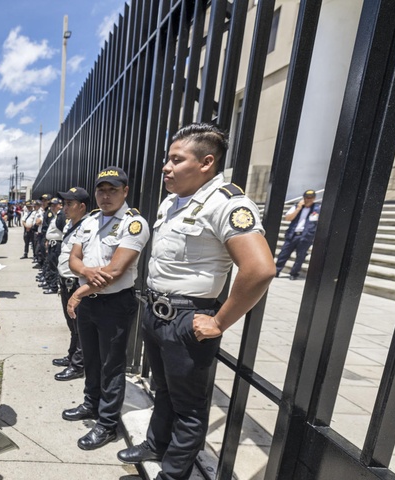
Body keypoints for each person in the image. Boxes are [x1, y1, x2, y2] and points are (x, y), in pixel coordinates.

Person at [117, 123, 275, 479]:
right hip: (156, 314)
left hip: (188, 320)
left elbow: (260, 268)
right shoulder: (172, 202)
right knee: (163, 391)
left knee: (189, 407)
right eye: (166, 159)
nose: (166, 167)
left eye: (176, 160)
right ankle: (157, 444)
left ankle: (172, 473)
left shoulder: (227, 203)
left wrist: (219, 322)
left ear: (206, 162)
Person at [62, 166, 150, 451]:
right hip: (90, 302)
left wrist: (79, 291)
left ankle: (107, 424)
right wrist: (86, 271)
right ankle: (91, 404)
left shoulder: (133, 223)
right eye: (102, 189)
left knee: (111, 365)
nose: (106, 195)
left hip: (114, 303)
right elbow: (74, 259)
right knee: (90, 358)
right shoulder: (89, 221)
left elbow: (115, 270)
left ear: (125, 191)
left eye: (113, 190)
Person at [52, 187, 90, 381]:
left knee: (80, 325)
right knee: (72, 324)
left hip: (76, 283)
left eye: (69, 204)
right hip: (65, 281)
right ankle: (72, 355)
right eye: (64, 203)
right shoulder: (69, 224)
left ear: (81, 206)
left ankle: (78, 365)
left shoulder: (88, 226)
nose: (65, 207)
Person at [275, 189, 321, 280]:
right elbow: (288, 218)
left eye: (311, 198)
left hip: (306, 236)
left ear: (314, 198)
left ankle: (294, 273)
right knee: (284, 253)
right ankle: (276, 270)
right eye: (307, 198)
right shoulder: (296, 206)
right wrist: (298, 208)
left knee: (301, 256)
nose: (309, 200)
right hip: (293, 234)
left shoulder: (317, 209)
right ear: (303, 198)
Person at [40, 198, 65, 294]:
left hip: (57, 244)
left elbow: (64, 230)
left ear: (60, 205)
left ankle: (54, 286)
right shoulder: (56, 215)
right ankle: (51, 283)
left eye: (55, 205)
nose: (52, 207)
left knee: (54, 266)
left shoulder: (61, 216)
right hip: (52, 243)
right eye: (51, 205)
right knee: (51, 264)